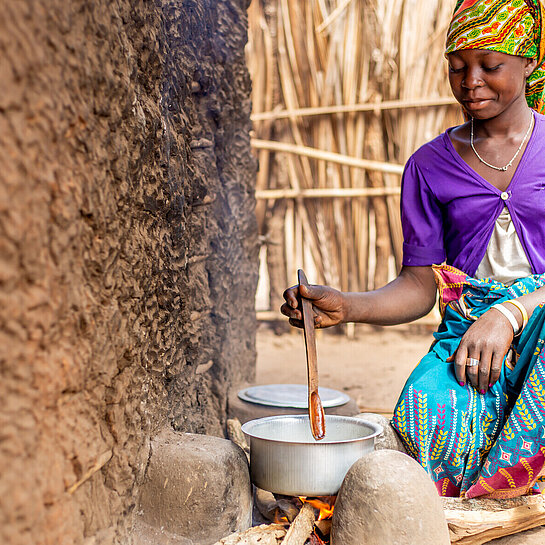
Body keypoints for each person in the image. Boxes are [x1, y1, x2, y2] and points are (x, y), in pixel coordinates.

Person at [281, 0, 545, 499]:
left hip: (540, 319)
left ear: (529, 61)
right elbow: (420, 286)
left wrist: (513, 312)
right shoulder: (429, 166)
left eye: (490, 65)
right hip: (471, 334)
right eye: (457, 67)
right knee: (426, 412)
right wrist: (347, 305)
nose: (471, 81)